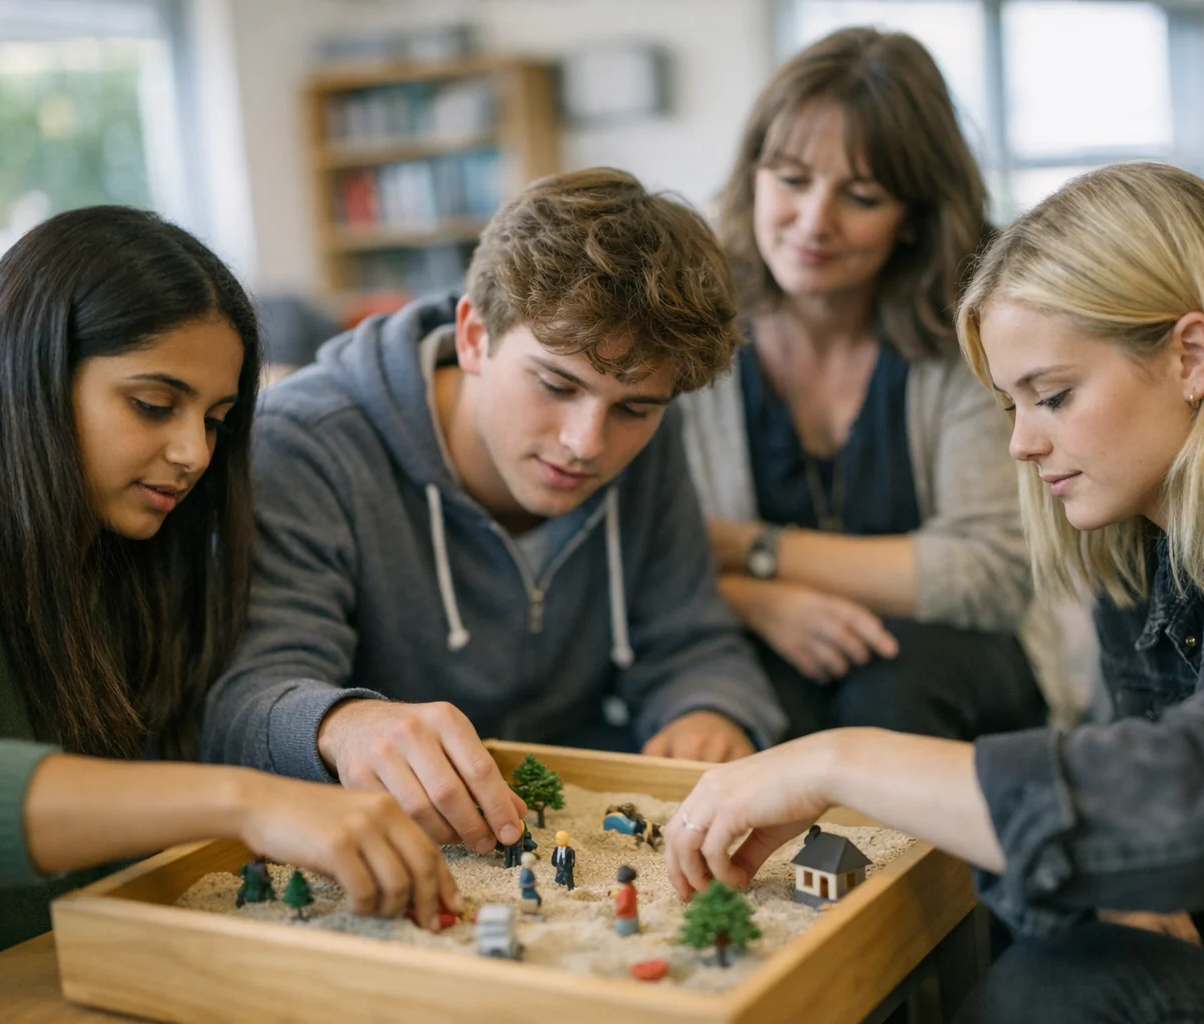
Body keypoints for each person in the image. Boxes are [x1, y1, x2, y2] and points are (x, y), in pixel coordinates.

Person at [663, 163, 1204, 1024]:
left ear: (1191, 355)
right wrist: (1121, 886)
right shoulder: (1146, 537)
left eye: (1054, 396)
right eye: (1012, 406)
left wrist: (832, 760)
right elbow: (1153, 828)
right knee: (1049, 941)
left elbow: (1203, 793)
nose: (1024, 443)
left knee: (1054, 987)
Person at [0, 207, 457, 996]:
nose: (195, 453)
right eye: (154, 405)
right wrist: (248, 803)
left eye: (217, 420)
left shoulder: (125, 549)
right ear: (28, 371)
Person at [202, 168, 788, 857]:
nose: (586, 442)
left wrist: (709, 709)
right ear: (474, 335)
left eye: (634, 409)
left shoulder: (650, 443)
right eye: (556, 384)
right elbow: (245, 700)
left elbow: (689, 638)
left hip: (558, 824)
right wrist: (343, 723)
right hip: (375, 846)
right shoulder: (306, 443)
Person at [680, 27, 1050, 741]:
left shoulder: (967, 337)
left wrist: (751, 548)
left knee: (894, 693)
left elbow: (991, 573)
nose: (814, 222)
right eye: (790, 179)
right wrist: (752, 599)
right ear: (752, 173)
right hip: (762, 640)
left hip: (950, 662)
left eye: (862, 195)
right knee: (756, 703)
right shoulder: (689, 328)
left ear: (913, 217)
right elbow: (644, 555)